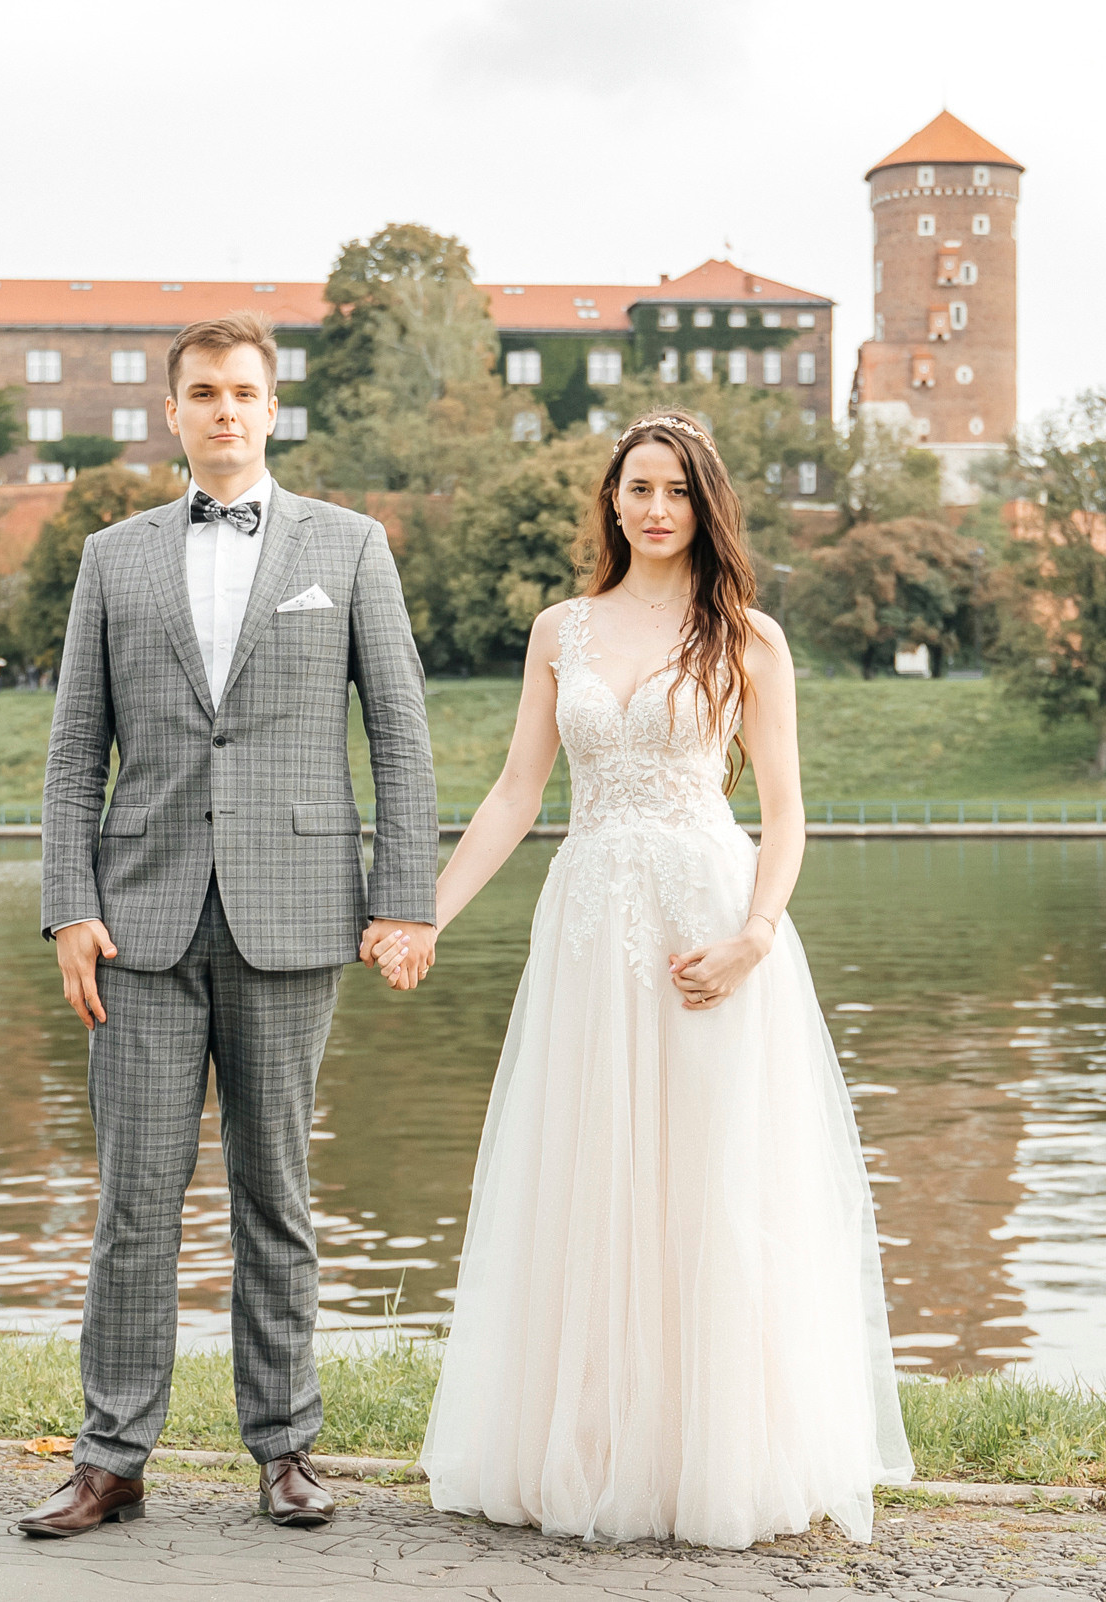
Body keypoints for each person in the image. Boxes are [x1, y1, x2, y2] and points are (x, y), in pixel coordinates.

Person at [383, 410, 913, 1549]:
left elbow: (785, 812)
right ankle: (591, 1449)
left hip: (707, 926)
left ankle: (719, 1457)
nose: (656, 507)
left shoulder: (748, 637)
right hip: (590, 926)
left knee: (712, 1182)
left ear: (703, 501)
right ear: (612, 503)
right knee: (590, 1177)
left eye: (675, 489)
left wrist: (757, 935)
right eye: (637, 489)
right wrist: (426, 914)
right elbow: (519, 794)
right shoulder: (559, 631)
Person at [27, 313, 438, 1539]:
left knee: (278, 1193)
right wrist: (69, 910)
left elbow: (402, 739)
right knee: (134, 1204)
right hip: (138, 926)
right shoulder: (113, 557)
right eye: (202, 391)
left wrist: (404, 899)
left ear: (273, 408)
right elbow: (69, 757)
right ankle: (111, 1458)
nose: (223, 410)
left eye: (244, 392)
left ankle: (287, 1449)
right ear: (172, 412)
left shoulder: (351, 548)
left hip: (297, 916)